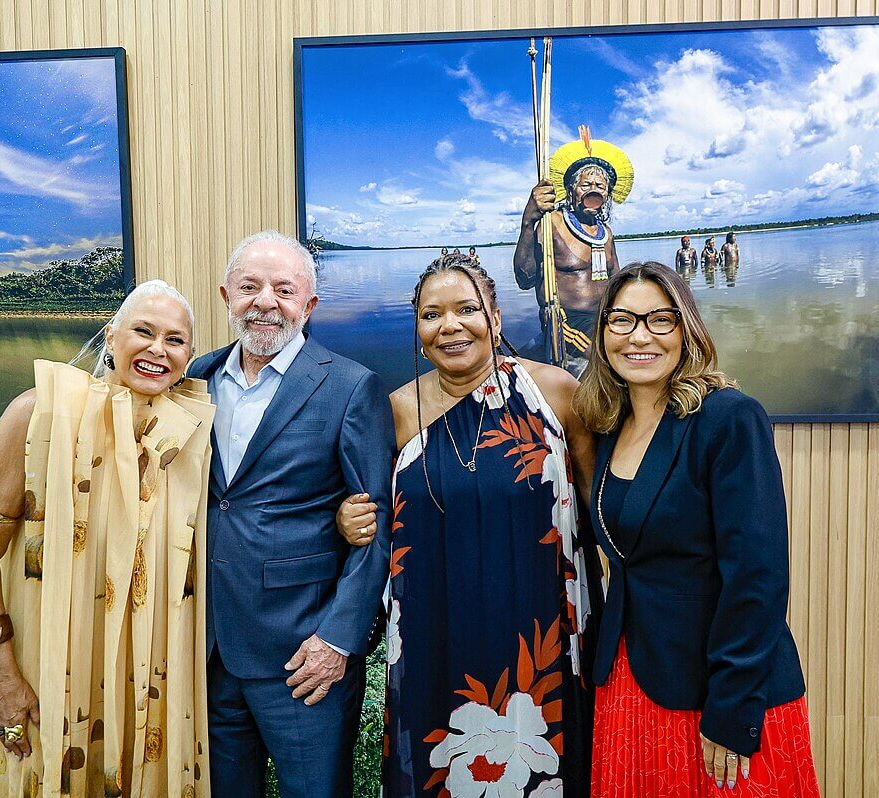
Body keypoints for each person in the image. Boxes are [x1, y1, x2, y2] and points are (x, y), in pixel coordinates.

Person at [339, 252, 602, 797]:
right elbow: (366, 508)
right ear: (417, 331)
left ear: (496, 319)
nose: (450, 326)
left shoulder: (556, 394)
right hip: (435, 633)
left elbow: (601, 506)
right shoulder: (394, 412)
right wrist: (346, 518)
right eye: (432, 314)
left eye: (467, 309)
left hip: (539, 632)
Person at [0, 280, 217, 797]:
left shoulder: (192, 430)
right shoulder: (38, 415)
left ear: (190, 355)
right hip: (50, 673)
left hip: (158, 684)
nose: (157, 350)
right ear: (110, 335)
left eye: (175, 339)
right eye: (143, 332)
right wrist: (5, 679)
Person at [575, 262, 820, 796]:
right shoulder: (610, 424)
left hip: (716, 694)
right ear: (603, 335)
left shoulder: (728, 419)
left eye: (659, 319)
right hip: (628, 680)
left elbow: (757, 578)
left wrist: (731, 710)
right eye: (621, 320)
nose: (639, 336)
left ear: (687, 329)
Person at [185, 230, 395, 797]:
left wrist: (338, 640)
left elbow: (375, 530)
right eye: (249, 287)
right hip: (207, 650)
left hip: (304, 653)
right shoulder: (193, 382)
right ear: (226, 295)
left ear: (309, 305)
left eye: (284, 289)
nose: (265, 302)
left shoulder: (352, 388)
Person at [513, 129, 634, 378]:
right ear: (571, 190)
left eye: (601, 186)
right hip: (568, 322)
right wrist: (528, 221)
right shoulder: (552, 224)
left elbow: (618, 282)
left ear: (608, 195)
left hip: (604, 316)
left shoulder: (606, 233)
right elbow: (525, 280)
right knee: (603, 353)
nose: (594, 190)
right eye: (586, 185)